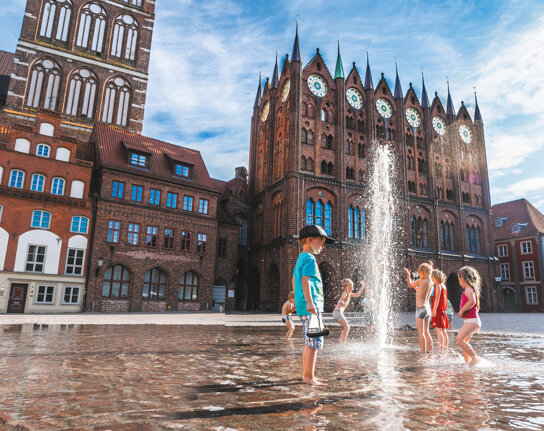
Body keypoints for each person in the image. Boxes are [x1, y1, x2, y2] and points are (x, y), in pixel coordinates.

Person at [292, 224, 336, 385]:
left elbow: (294, 280)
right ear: (310, 240)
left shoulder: (300, 257)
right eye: (321, 241)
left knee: (309, 341)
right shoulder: (310, 258)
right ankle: (309, 377)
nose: (322, 245)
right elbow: (305, 280)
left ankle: (306, 375)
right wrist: (310, 302)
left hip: (305, 306)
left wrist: (298, 300)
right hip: (312, 308)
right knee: (315, 341)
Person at [404, 263, 433, 353]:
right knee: (427, 331)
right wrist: (416, 286)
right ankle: (430, 350)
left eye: (420, 273)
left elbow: (409, 285)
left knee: (421, 332)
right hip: (428, 310)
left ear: (423, 272)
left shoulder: (421, 280)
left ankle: (422, 352)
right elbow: (421, 290)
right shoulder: (431, 282)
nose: (419, 275)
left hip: (420, 309)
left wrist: (408, 275)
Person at [456, 266, 482, 366]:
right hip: (471, 321)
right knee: (464, 342)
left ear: (462, 279)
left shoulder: (468, 289)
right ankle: (467, 362)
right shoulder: (470, 289)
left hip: (472, 321)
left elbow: (472, 301)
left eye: (459, 279)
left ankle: (475, 358)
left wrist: (461, 310)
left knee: (459, 339)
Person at [431, 269, 450, 352]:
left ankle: (440, 350)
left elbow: (437, 299)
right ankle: (445, 348)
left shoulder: (438, 286)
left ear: (435, 277)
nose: (431, 279)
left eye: (432, 277)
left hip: (438, 310)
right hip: (443, 310)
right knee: (443, 331)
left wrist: (434, 310)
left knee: (438, 331)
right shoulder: (443, 286)